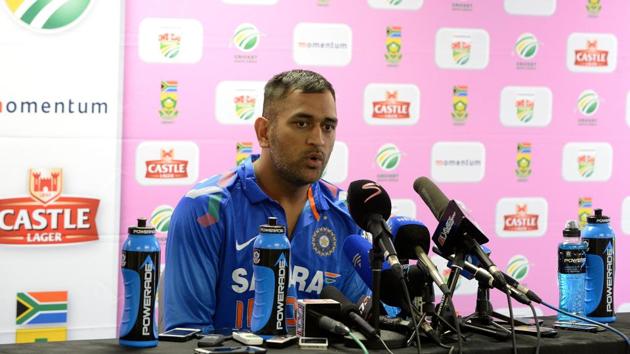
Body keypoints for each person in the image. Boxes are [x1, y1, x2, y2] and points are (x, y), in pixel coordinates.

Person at [163, 69, 370, 333]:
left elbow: (362, 328)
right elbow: (187, 335)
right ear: (264, 131)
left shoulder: (349, 215)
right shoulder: (206, 209)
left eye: (328, 127)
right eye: (302, 123)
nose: (318, 140)